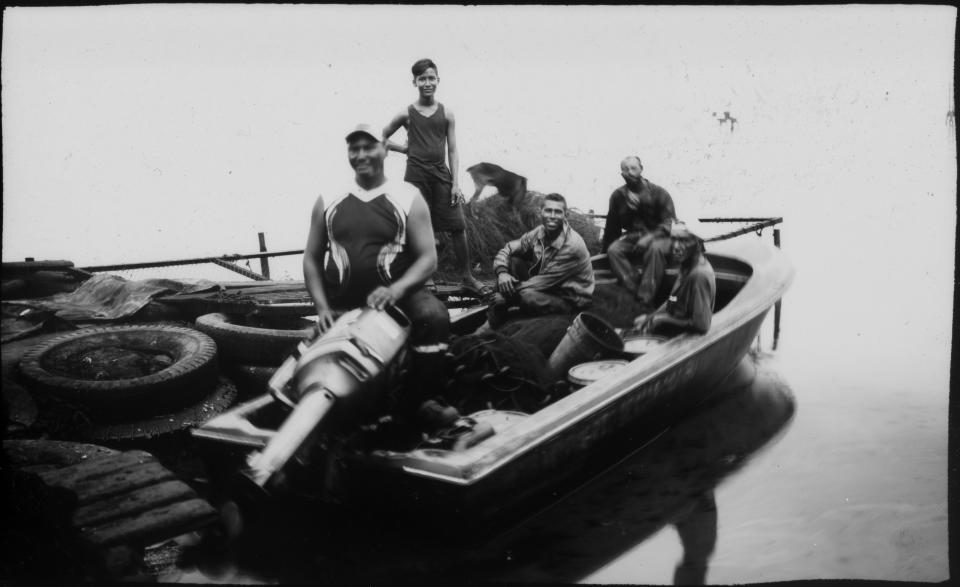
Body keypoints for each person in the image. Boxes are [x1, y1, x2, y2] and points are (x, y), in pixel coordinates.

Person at [302, 123, 455, 430]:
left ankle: (422, 401)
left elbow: (428, 259)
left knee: (433, 316)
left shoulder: (408, 196)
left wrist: (395, 290)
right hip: (343, 302)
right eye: (354, 148)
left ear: (385, 149)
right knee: (303, 353)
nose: (361, 155)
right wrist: (321, 308)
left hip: (398, 298)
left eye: (368, 146)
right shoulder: (328, 198)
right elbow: (311, 258)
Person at [382, 58, 491, 298]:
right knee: (421, 226)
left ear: (438, 80)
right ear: (415, 82)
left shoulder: (447, 114)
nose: (427, 83)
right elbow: (381, 138)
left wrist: (455, 184)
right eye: (422, 79)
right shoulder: (406, 113)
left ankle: (467, 277)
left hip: (441, 174)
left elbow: (452, 150)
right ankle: (426, 275)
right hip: (416, 177)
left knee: (458, 225)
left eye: (431, 78)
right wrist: (404, 149)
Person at [483, 193, 595, 329]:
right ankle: (491, 322)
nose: (552, 216)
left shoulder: (572, 246)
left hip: (569, 300)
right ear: (540, 212)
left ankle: (496, 321)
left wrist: (507, 298)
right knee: (513, 261)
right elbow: (509, 248)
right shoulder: (539, 232)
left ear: (566, 216)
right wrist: (502, 273)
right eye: (548, 210)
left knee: (526, 296)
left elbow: (542, 283)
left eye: (558, 212)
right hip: (548, 288)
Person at [602, 156, 677, 311]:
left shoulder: (659, 193)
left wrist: (649, 238)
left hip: (660, 236)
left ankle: (644, 301)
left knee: (655, 250)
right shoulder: (617, 196)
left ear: (641, 169)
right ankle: (634, 289)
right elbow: (612, 228)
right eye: (625, 169)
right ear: (621, 174)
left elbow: (668, 224)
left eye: (633, 168)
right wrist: (604, 252)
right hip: (634, 236)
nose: (630, 172)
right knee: (614, 250)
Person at [633, 220, 716, 336]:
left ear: (697, 243)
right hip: (676, 325)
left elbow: (701, 325)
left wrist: (662, 319)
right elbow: (673, 299)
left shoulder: (699, 275)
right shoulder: (685, 266)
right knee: (638, 323)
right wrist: (651, 317)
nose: (675, 247)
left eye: (683, 240)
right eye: (673, 239)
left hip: (685, 337)